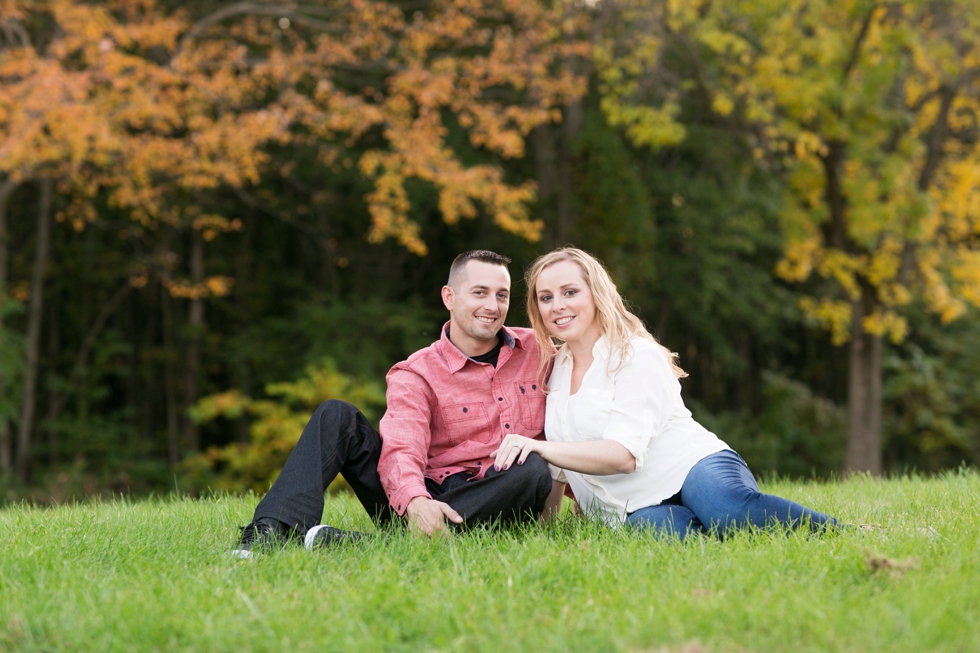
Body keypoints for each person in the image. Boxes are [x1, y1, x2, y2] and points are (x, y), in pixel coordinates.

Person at [491, 247, 838, 539]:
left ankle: (843, 532)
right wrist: (546, 532)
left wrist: (538, 446)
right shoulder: (552, 368)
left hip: (690, 466)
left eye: (570, 292)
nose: (558, 306)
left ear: (596, 294)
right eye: (546, 298)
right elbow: (560, 470)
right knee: (666, 534)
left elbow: (623, 455)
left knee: (726, 510)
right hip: (631, 507)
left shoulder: (635, 354)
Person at [234, 250, 555, 557]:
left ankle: (369, 545)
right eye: (480, 292)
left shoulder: (540, 352)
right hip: (424, 494)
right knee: (336, 415)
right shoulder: (417, 371)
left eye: (502, 295)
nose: (493, 305)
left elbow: (582, 401)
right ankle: (268, 532)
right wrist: (416, 500)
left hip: (502, 492)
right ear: (449, 297)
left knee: (532, 466)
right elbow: (403, 446)